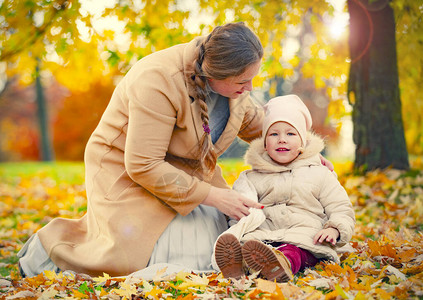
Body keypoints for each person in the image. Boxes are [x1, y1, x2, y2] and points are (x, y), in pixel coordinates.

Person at [17, 23, 333, 278]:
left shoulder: (234, 91)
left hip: (186, 175)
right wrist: (214, 196)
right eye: (243, 80)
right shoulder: (158, 80)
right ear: (216, 74)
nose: (250, 88)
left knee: (226, 228)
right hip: (127, 173)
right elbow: (142, 164)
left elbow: (264, 125)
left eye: (252, 78)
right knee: (154, 253)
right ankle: (54, 245)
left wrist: (308, 154)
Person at [213, 94, 355, 282]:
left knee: (295, 252)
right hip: (262, 238)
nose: (282, 139)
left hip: (305, 237)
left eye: (290, 133)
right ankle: (239, 264)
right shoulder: (252, 177)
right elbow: (239, 209)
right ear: (265, 142)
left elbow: (341, 208)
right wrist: (240, 226)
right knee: (249, 246)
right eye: (274, 134)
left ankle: (280, 264)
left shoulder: (320, 174)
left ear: (302, 142)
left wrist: (335, 229)